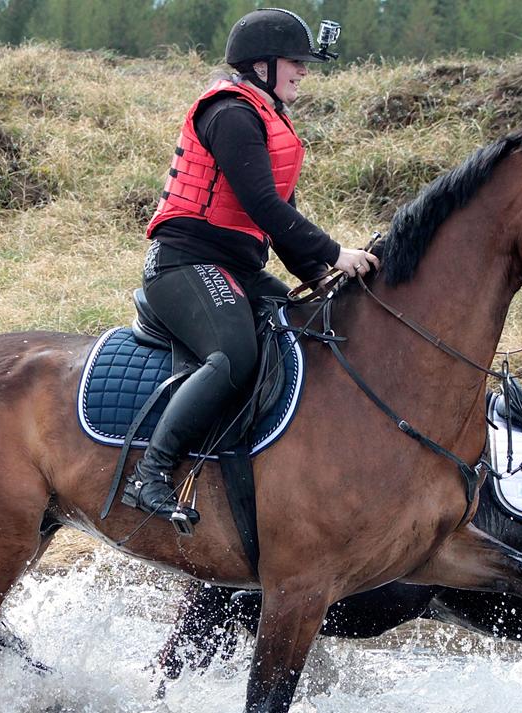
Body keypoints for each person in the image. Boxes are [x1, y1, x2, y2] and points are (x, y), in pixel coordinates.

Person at [123, 9, 378, 530]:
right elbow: (263, 205)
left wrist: (326, 273)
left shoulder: (267, 116)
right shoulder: (232, 114)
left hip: (234, 264)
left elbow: (275, 226)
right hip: (184, 263)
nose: (303, 72)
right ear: (260, 65)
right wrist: (334, 253)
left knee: (300, 326)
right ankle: (151, 473)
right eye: (294, 62)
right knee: (234, 354)